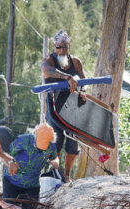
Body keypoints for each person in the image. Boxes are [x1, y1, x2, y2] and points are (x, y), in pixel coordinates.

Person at [41, 29, 86, 182]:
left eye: (64, 47)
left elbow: (83, 80)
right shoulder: (49, 60)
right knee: (56, 141)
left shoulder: (75, 61)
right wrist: (67, 77)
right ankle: (57, 174)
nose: (61, 50)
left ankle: (66, 175)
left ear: (68, 47)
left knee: (73, 144)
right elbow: (47, 71)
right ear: (54, 47)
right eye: (58, 47)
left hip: (73, 109)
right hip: (54, 108)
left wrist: (83, 91)